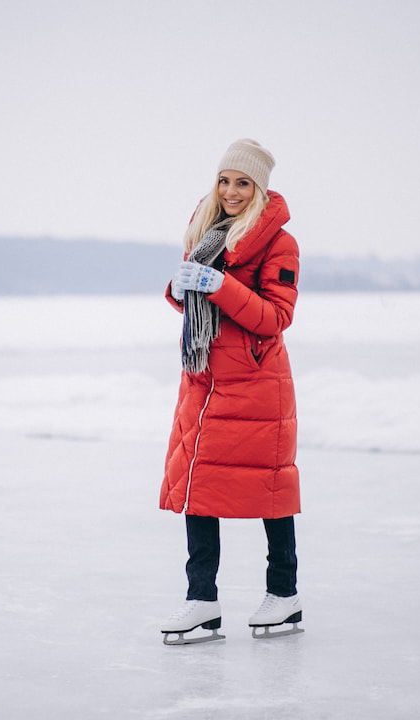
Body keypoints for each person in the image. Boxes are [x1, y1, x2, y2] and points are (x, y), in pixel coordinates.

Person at [159, 139, 302, 645]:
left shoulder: (279, 244)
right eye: (225, 180)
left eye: (243, 183)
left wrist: (217, 286)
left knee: (269, 487)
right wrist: (180, 292)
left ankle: (284, 594)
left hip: (256, 384)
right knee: (199, 488)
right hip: (205, 380)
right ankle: (201, 600)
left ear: (259, 189)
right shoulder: (207, 234)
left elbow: (274, 317)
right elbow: (200, 305)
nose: (231, 191)